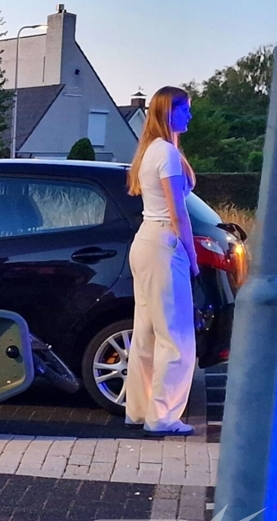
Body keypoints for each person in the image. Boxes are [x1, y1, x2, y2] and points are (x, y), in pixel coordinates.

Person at [124, 86, 200, 436]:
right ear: (169, 111)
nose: (189, 115)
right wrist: (193, 256)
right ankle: (164, 416)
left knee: (146, 332)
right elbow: (178, 212)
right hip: (163, 244)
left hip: (145, 242)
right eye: (185, 109)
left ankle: (139, 410)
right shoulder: (167, 154)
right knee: (176, 334)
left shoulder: (151, 152)